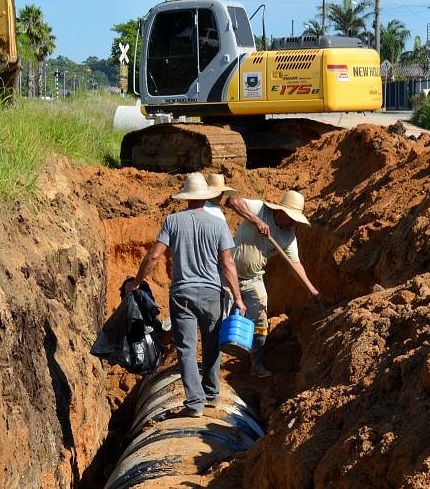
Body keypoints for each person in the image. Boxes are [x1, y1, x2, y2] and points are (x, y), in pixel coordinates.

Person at [125, 172, 246, 417]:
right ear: (206, 197)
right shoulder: (218, 224)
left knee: (187, 350)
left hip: (182, 295)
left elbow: (154, 256)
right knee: (212, 345)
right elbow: (228, 264)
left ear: (186, 197)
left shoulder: (173, 221)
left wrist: (137, 282)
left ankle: (195, 404)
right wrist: (238, 297)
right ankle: (212, 394)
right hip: (213, 294)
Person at [222, 188, 321, 377]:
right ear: (280, 211)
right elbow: (232, 201)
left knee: (260, 320)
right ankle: (211, 363)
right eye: (291, 218)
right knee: (218, 316)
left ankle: (256, 363)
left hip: (254, 279)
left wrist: (311, 289)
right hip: (228, 275)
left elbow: (295, 265)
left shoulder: (288, 236)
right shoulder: (260, 209)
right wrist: (255, 220)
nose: (293, 223)